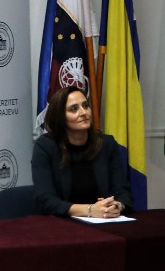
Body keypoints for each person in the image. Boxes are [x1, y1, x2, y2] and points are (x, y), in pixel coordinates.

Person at [32, 86, 132, 218]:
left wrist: (116, 206)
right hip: (61, 223)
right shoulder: (45, 147)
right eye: (74, 109)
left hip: (104, 220)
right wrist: (89, 210)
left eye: (85, 106)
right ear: (60, 117)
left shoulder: (106, 144)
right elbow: (45, 200)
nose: (83, 112)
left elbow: (123, 192)